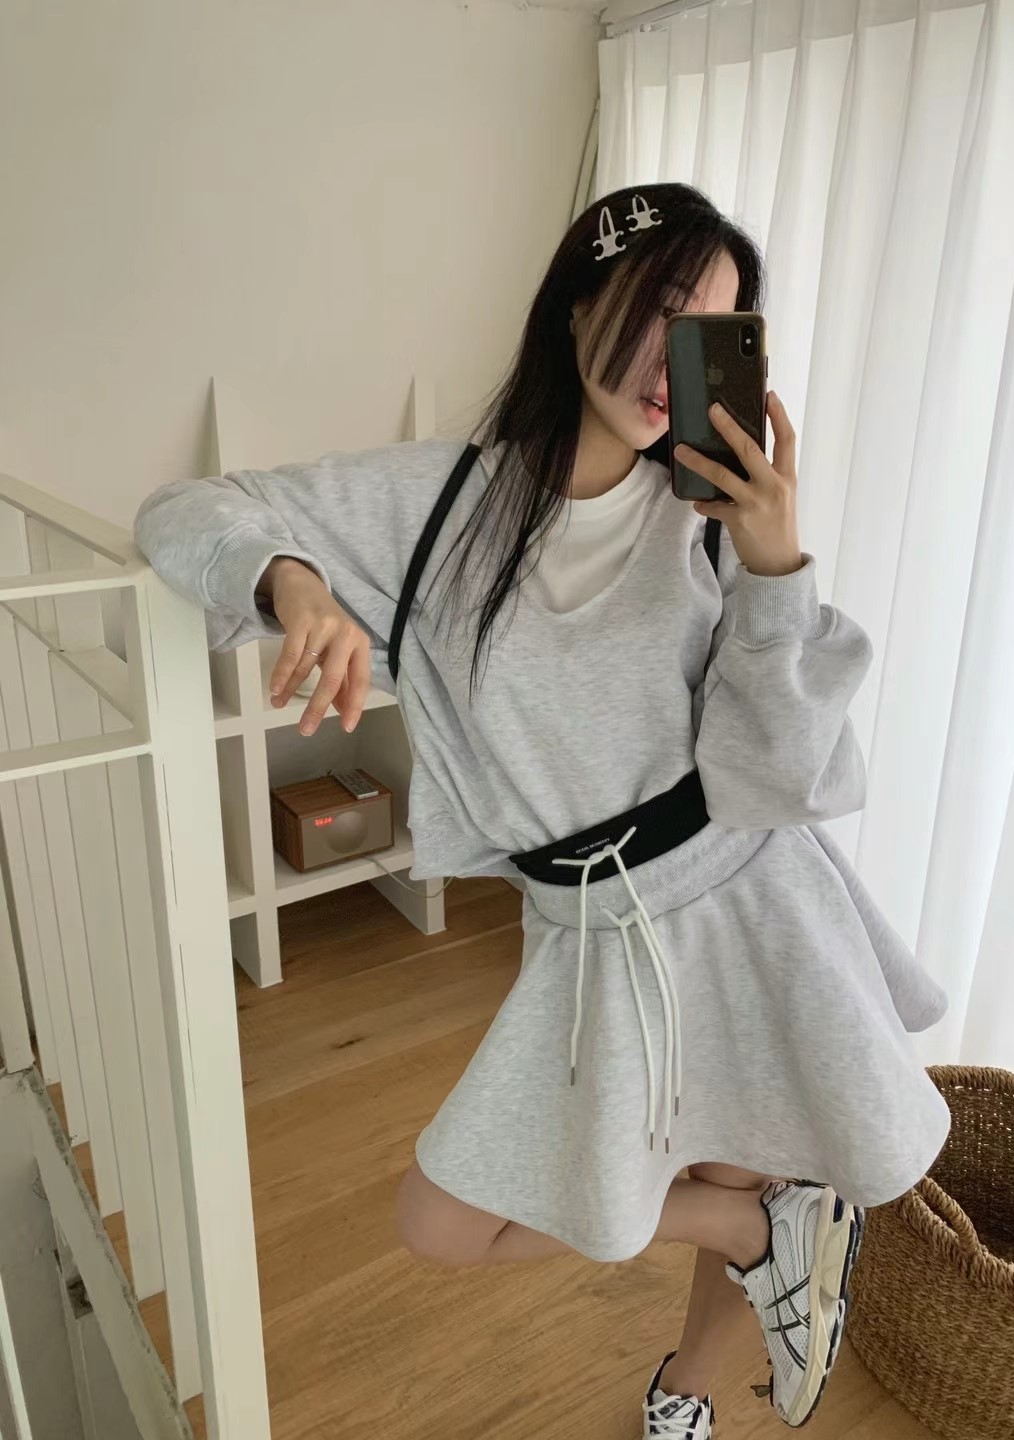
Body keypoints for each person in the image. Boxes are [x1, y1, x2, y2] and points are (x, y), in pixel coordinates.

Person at [135, 182, 950, 1437]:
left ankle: (686, 1394)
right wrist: (292, 582)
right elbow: (180, 512)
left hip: (744, 899)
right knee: (444, 1219)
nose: (673, 359)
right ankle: (754, 1231)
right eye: (660, 303)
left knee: (744, 1140)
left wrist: (775, 568)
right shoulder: (435, 503)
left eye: (712, 328)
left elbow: (779, 776)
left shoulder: (713, 520)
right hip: (585, 931)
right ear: (578, 301)